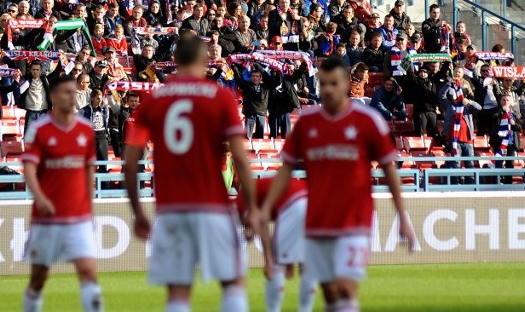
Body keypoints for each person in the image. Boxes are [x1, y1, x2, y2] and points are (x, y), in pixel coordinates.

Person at [260, 56, 417, 312]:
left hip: (355, 218)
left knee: (345, 288)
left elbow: (389, 170)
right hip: (318, 219)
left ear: (346, 84)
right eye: (323, 84)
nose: (328, 90)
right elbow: (285, 170)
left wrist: (403, 217)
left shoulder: (367, 121)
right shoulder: (307, 124)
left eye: (333, 83)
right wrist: (266, 208)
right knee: (331, 292)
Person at [123, 36, 261, 312]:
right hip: (213, 206)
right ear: (205, 61)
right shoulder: (221, 97)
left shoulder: (154, 100)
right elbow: (241, 159)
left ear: (174, 62)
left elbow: (130, 160)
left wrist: (137, 211)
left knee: (178, 292)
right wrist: (253, 207)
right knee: (232, 283)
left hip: (171, 208)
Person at [21, 75, 103, 312]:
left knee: (88, 272)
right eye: (67, 92)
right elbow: (29, 169)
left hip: (78, 217)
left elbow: (89, 172)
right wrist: (40, 198)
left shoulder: (86, 130)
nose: (73, 96)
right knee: (39, 277)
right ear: (54, 97)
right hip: (46, 219)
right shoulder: (39, 130)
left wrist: (90, 207)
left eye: (74, 92)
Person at [237, 177, 316, 312]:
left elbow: (262, 226)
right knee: (307, 263)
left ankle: (273, 309)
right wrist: (289, 259)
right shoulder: (258, 189)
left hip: (293, 204)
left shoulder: (241, 201)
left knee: (275, 264)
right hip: (312, 201)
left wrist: (268, 260)